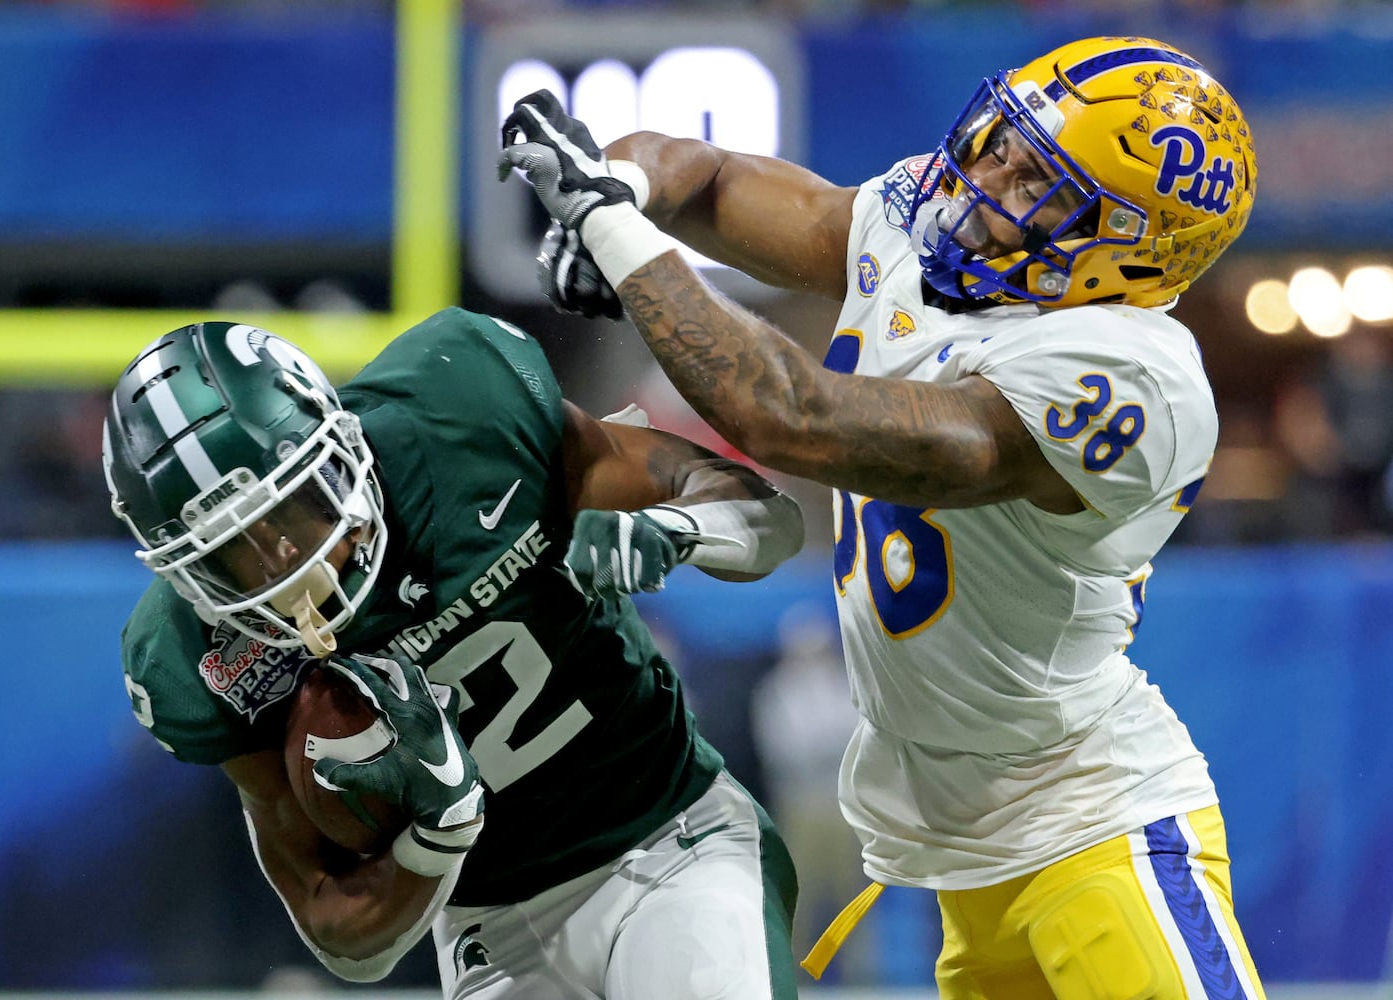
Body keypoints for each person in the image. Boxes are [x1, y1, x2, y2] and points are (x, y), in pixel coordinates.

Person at [500, 34, 1267, 999]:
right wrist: (618, 181)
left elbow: (796, 419)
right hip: (958, 846)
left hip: (1090, 824)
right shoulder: (922, 221)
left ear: (1128, 253)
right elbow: (710, 177)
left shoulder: (1128, 375)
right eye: (1003, 143)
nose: (989, 180)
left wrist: (618, 238)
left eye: (1042, 186)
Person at [102, 309, 805, 998]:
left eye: (290, 510)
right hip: (494, 926)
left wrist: (676, 528)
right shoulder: (197, 655)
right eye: (232, 557)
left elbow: (773, 518)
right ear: (183, 571)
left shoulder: (457, 416)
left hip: (668, 836)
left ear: (334, 440)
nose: (285, 563)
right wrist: (440, 828)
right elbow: (338, 932)